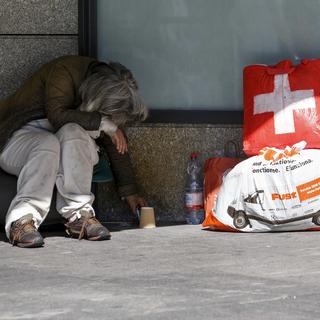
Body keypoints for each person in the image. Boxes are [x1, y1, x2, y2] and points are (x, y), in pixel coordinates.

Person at [0, 55, 148, 248]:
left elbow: (115, 142)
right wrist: (103, 123)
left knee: (73, 133)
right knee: (48, 143)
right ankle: (21, 221)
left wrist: (130, 190)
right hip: (17, 138)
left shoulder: (106, 93)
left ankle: (79, 217)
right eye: (106, 116)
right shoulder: (65, 71)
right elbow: (57, 115)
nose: (109, 121)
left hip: (60, 143)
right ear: (96, 99)